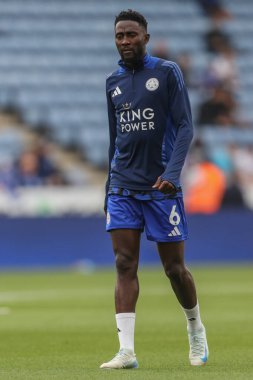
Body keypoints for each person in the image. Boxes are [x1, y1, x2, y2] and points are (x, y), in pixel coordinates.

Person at [100, 9, 208, 370]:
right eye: (119, 35)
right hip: (123, 186)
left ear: (145, 36)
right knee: (124, 262)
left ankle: (195, 327)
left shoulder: (166, 72)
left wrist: (172, 174)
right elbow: (115, 140)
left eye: (131, 34)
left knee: (174, 269)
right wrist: (107, 189)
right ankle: (127, 351)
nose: (125, 41)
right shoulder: (112, 82)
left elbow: (185, 127)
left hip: (161, 188)